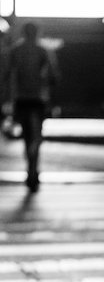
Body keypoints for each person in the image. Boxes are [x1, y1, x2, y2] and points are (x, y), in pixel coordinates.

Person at [5, 23, 58, 192]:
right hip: (37, 98)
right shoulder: (43, 50)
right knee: (36, 136)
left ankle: (31, 166)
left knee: (28, 136)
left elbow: (7, 75)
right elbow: (53, 74)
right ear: (37, 33)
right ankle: (33, 168)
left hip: (21, 98)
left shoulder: (15, 50)